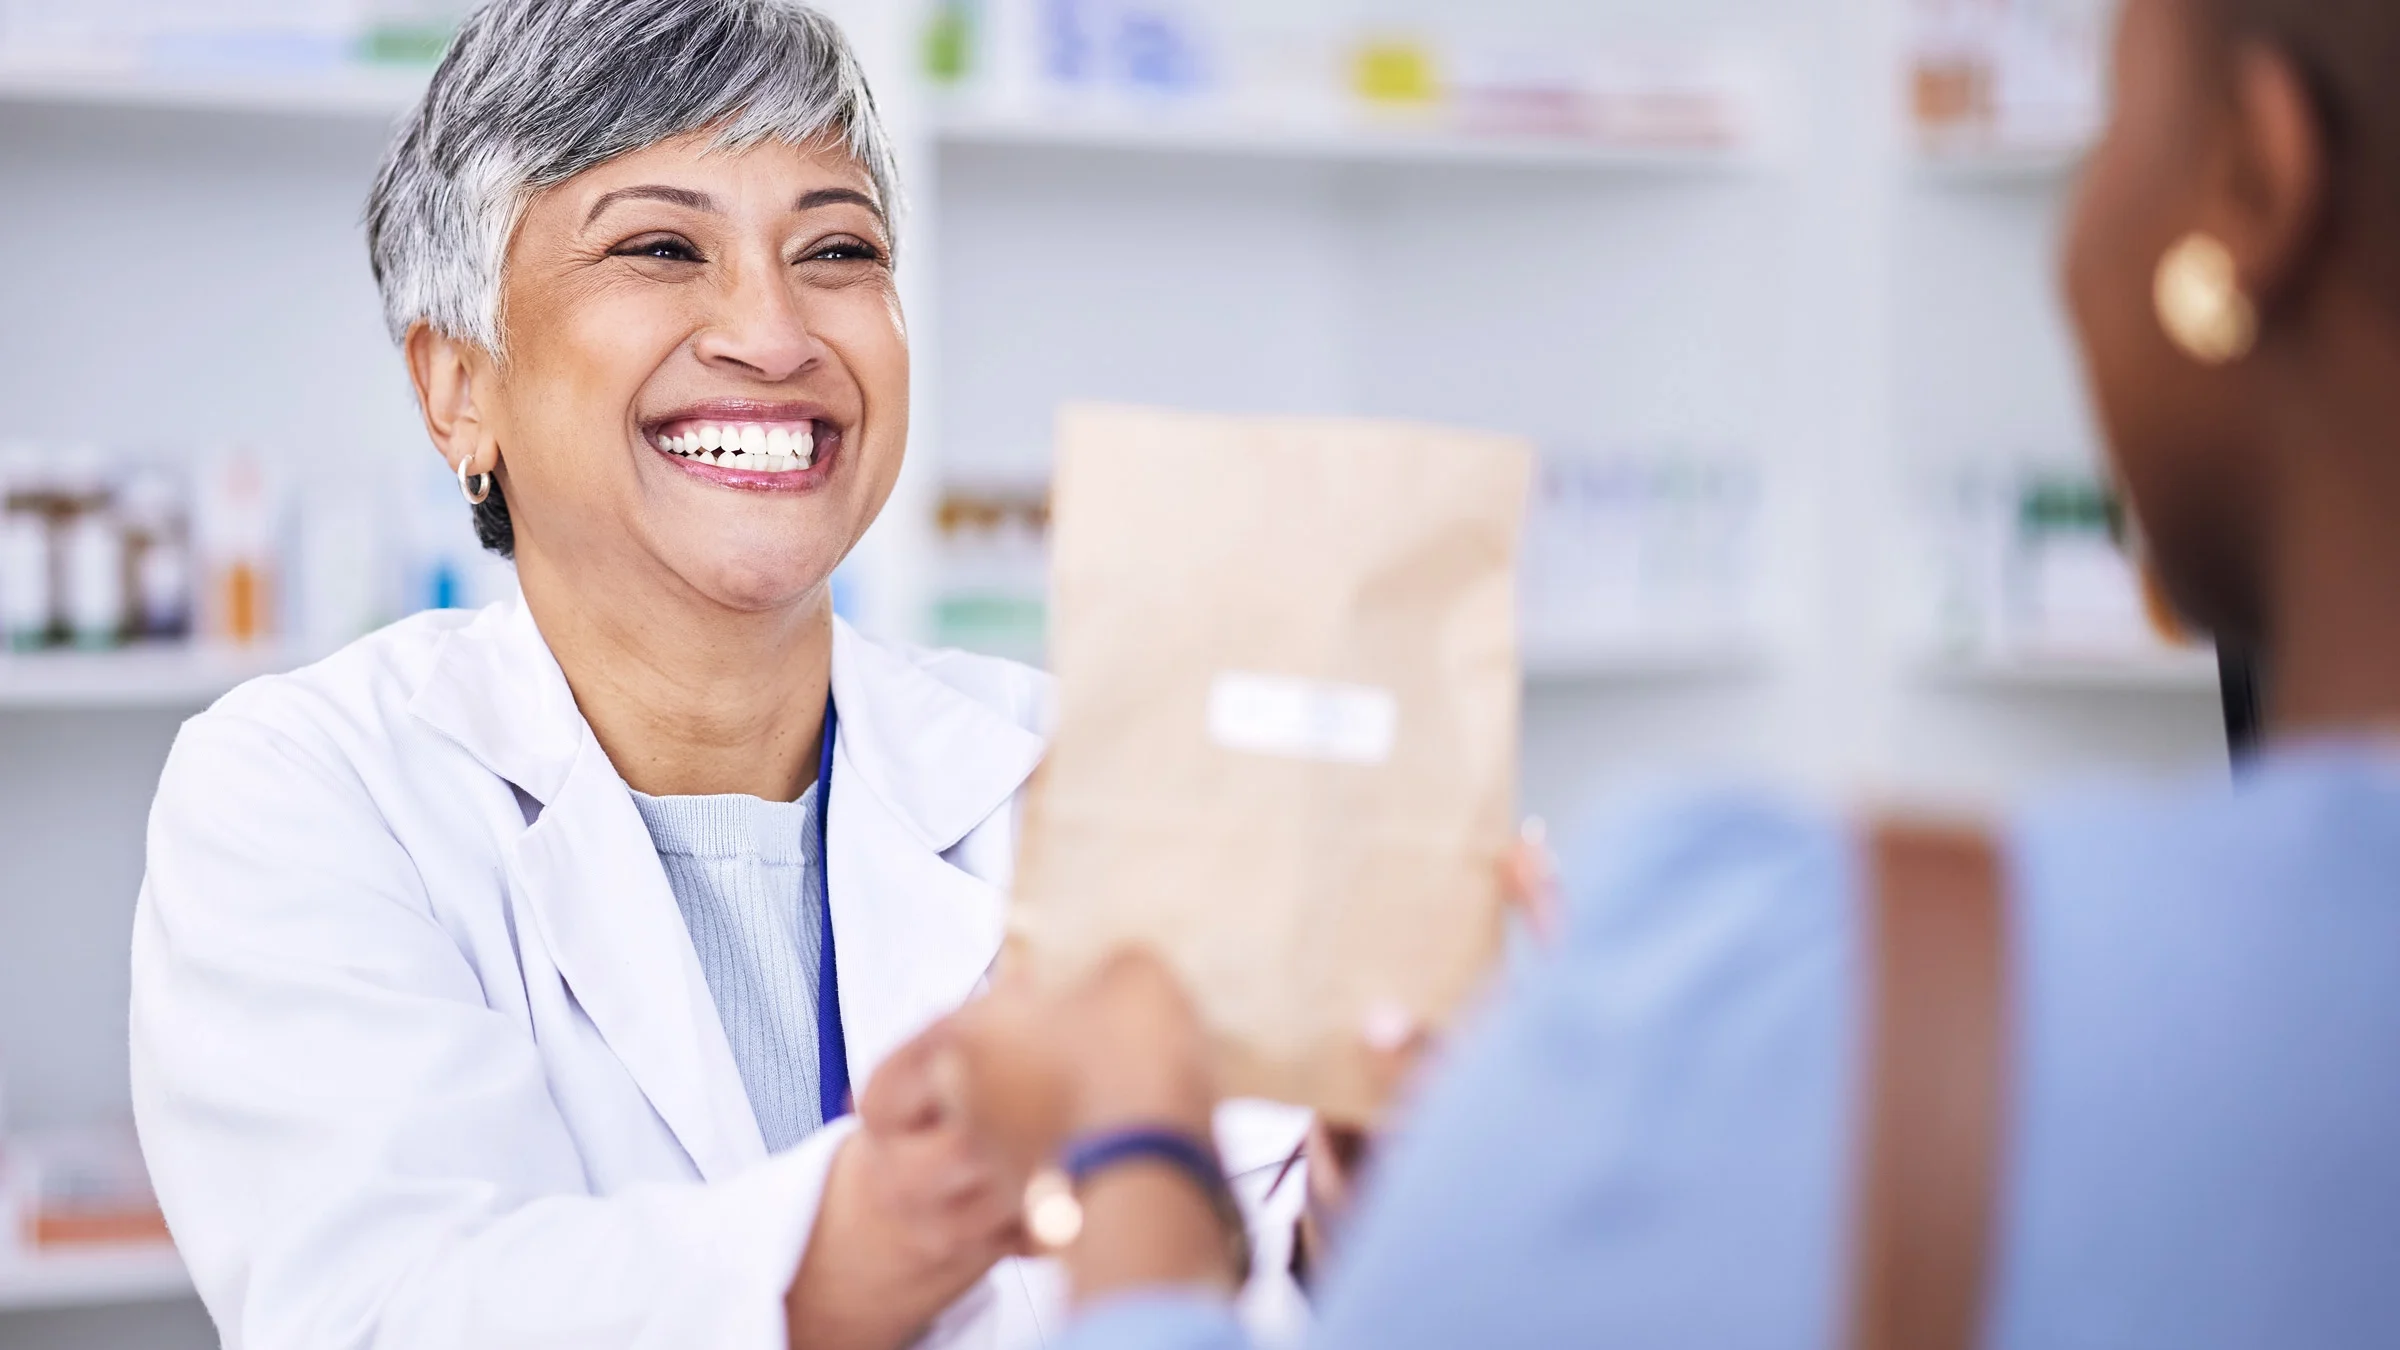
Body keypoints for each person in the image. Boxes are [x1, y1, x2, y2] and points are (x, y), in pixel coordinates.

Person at [940, 0, 2400, 1345]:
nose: (2081, 223)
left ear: (2255, 182)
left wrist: (1139, 1158)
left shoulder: (1792, 996)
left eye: (2109, 123)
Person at [125, 4, 1302, 1349]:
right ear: (458, 387)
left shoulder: (1084, 771)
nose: (775, 331)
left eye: (838, 250)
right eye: (662, 247)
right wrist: (881, 1219)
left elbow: (1249, 1251)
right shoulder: (307, 787)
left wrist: (1372, 1187)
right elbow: (400, 1307)